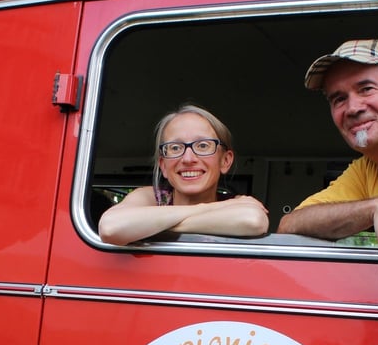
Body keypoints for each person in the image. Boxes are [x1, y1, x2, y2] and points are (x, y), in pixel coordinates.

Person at [277, 39, 378, 301]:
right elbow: (290, 224)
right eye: (339, 99)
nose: (352, 108)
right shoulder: (365, 170)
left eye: (366, 89)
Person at [98, 105, 268, 245]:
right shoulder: (151, 197)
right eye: (175, 148)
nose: (188, 159)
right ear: (163, 166)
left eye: (203, 146)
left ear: (225, 161)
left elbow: (253, 220)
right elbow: (110, 227)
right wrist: (208, 208)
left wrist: (152, 226)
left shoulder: (238, 203)